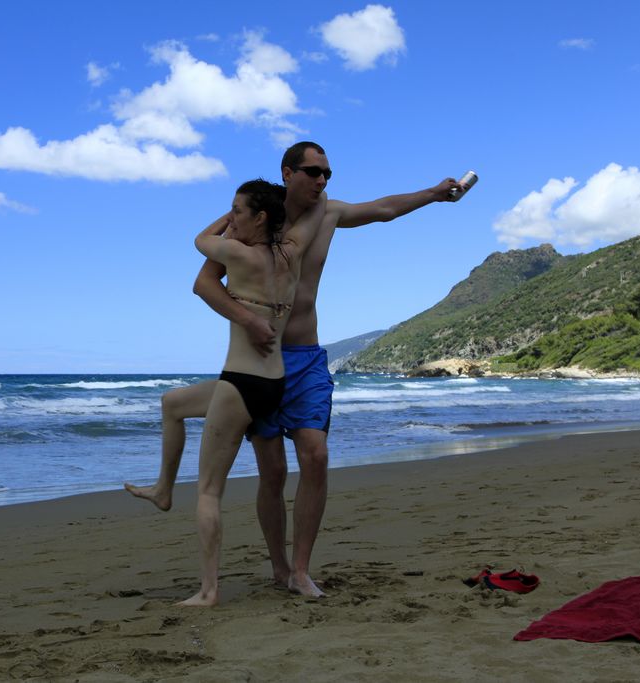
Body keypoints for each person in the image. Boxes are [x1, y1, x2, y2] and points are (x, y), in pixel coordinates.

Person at [127, 142, 460, 598]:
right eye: (312, 172)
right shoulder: (254, 219)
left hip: (305, 359)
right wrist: (248, 319)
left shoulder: (327, 215)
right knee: (272, 470)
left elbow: (383, 209)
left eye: (327, 173)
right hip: (262, 361)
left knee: (316, 456)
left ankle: (301, 569)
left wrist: (434, 194)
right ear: (287, 173)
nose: (322, 181)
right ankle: (279, 567)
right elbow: (205, 282)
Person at [177, 179, 325, 607]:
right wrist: (308, 199)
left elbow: (200, 241)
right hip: (275, 381)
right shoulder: (291, 255)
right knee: (271, 472)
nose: (233, 217)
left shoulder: (238, 254)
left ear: (259, 217)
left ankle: (208, 591)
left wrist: (225, 223)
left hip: (241, 380)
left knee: (208, 491)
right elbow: (309, 222)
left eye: (238, 210)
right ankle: (286, 570)